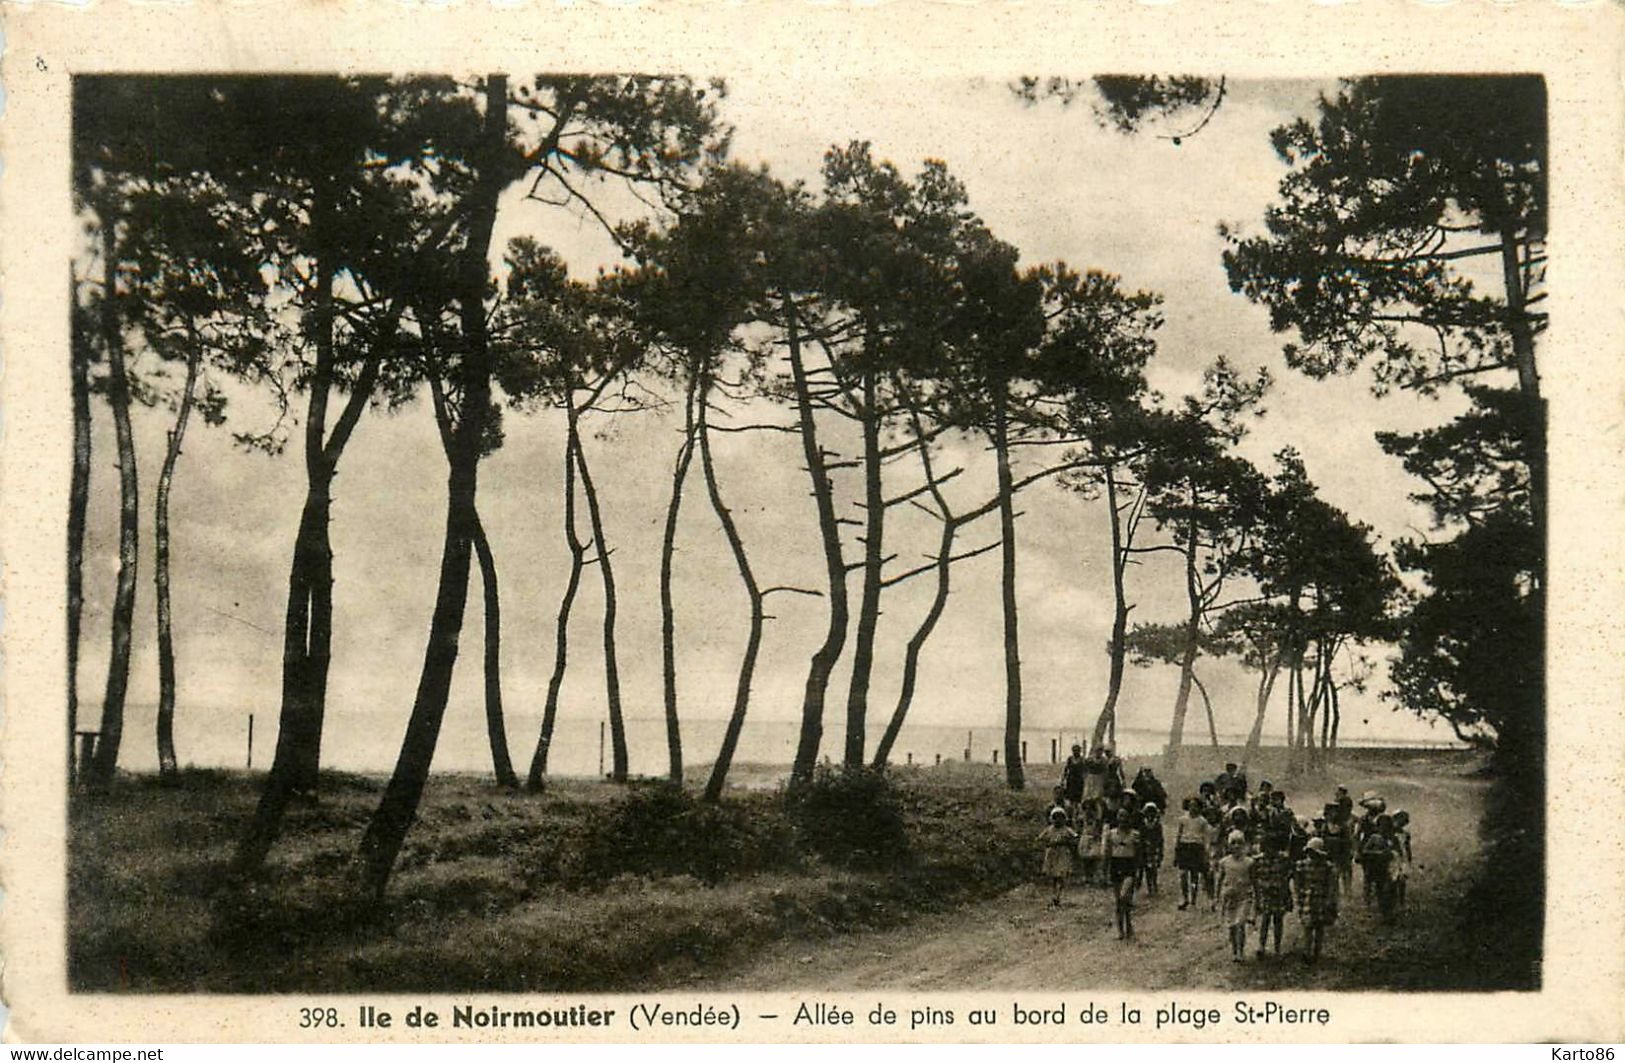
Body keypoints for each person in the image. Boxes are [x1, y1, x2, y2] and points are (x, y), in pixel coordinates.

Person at [1294, 836, 1339, 962]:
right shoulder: (1302, 865)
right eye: (1310, 852)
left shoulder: (1327, 867)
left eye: (1315, 853)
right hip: (1307, 897)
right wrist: (1299, 894)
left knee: (1319, 926)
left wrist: (1330, 898)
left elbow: (1332, 884)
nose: (1312, 856)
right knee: (1307, 925)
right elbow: (1298, 882)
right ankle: (1307, 951)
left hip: (1321, 898)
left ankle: (1316, 951)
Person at [1215, 831, 1255, 961]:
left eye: (1239, 843)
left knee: (1240, 923)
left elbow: (1254, 881)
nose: (1236, 846)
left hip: (1244, 897)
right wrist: (1217, 897)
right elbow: (1220, 880)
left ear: (1244, 845)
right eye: (1233, 843)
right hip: (1230, 897)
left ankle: (1240, 952)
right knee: (1232, 926)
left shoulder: (1249, 862)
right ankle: (1234, 950)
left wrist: (1257, 899)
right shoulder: (1224, 862)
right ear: (1229, 845)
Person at [1252, 834, 1294, 958]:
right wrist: (1263, 886)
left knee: (1278, 920)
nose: (1270, 851)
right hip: (1265, 893)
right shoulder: (1258, 860)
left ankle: (1277, 948)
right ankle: (1261, 946)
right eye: (1267, 848)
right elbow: (1255, 878)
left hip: (1279, 893)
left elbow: (1288, 875)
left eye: (1272, 848)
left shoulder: (1283, 860)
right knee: (1265, 919)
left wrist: (1283, 888)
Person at [1106, 809, 1141, 939]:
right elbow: (1108, 853)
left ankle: (1128, 925)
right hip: (1116, 865)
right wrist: (1105, 870)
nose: (1122, 819)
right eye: (1120, 816)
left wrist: (1138, 873)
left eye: (1125, 816)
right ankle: (1122, 929)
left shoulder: (1134, 835)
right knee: (1119, 901)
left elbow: (1138, 855)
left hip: (1129, 866)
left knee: (1124, 897)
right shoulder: (1111, 834)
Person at [1357, 812, 1397, 919]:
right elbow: (1365, 850)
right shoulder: (1374, 838)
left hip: (1386, 867)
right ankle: (1380, 909)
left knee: (1387, 889)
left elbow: (1397, 852)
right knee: (1377, 888)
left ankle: (1387, 912)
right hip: (1374, 866)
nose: (1384, 830)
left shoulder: (1392, 838)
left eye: (1386, 827)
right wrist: (1378, 853)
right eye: (1381, 827)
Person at [1173, 797, 1210, 910]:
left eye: (1195, 805)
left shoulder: (1202, 821)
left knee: (1194, 875)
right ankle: (1185, 898)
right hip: (1185, 847)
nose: (1192, 808)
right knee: (1183, 874)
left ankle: (1193, 900)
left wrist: (1205, 853)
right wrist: (1176, 850)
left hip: (1196, 847)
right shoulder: (1183, 819)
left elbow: (1205, 838)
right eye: (1191, 805)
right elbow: (1179, 835)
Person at [1038, 808, 1079, 907]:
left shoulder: (1067, 830)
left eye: (1060, 818)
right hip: (1052, 854)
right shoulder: (1049, 829)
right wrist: (1047, 843)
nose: (1057, 820)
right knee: (1053, 876)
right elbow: (1040, 839)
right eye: (1055, 818)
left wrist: (1066, 842)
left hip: (1062, 854)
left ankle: (1058, 895)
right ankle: (1053, 894)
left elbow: (1075, 838)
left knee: (1060, 875)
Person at [1138, 801, 1165, 898]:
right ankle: (1149, 886)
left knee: (1153, 869)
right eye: (1148, 812)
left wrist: (1160, 850)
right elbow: (1140, 837)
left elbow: (1160, 838)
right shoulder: (1142, 824)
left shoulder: (1157, 825)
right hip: (1144, 848)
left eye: (1152, 812)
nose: (1150, 815)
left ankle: (1154, 884)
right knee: (1145, 868)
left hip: (1154, 848)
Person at [1391, 810, 1414, 913]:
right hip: (1393, 858)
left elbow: (1407, 848)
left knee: (1402, 880)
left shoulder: (1405, 834)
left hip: (1402, 859)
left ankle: (1401, 902)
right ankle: (1394, 902)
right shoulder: (1390, 833)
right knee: (1393, 880)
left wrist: (1409, 860)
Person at [1061, 745, 1087, 819]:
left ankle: (1077, 814)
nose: (1076, 752)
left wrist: (1085, 780)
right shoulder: (1070, 759)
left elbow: (1085, 771)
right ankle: (1070, 815)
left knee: (1078, 800)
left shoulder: (1082, 760)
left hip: (1079, 781)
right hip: (1071, 780)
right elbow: (1066, 770)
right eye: (1074, 751)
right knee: (1070, 799)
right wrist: (1063, 780)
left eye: (1077, 750)